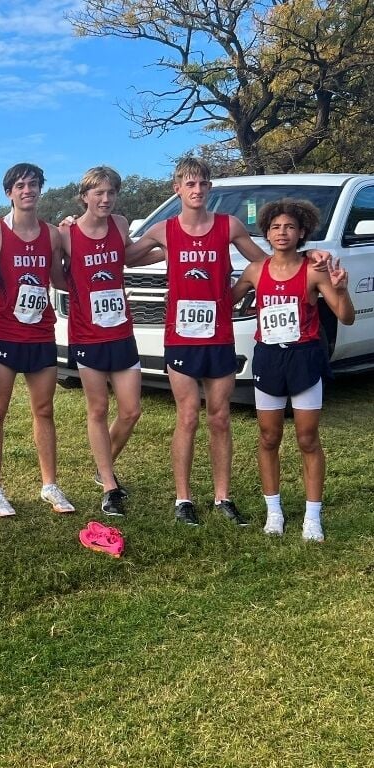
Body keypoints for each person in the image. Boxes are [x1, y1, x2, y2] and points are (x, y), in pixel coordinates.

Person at [126, 156, 294, 527]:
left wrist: (306, 260)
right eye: (189, 184)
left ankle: (223, 497)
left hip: (219, 336)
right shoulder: (164, 229)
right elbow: (121, 255)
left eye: (202, 183)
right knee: (187, 416)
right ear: (177, 189)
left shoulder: (228, 224)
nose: (197, 190)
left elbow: (267, 264)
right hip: (181, 338)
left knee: (219, 417)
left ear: (209, 188)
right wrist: (86, 226)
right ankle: (183, 498)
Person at [230, 199, 354, 541]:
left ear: (301, 232)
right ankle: (275, 511)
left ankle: (312, 516)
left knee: (307, 438)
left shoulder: (314, 270)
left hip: (304, 358)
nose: (282, 232)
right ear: (266, 232)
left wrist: (341, 290)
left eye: (289, 227)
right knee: (269, 437)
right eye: (275, 227)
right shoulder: (256, 270)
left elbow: (345, 316)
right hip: (268, 358)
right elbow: (227, 300)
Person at [0, 163, 74, 519]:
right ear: (9, 192)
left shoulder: (51, 235)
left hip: (41, 332)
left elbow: (59, 279)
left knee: (44, 410)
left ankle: (49, 484)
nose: (27, 190)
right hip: (5, 331)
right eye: (20, 185)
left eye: (33, 184)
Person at [60, 166, 151, 517]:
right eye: (98, 192)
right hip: (87, 333)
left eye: (111, 191)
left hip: (121, 330)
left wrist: (164, 253)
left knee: (131, 410)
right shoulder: (67, 233)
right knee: (97, 409)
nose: (106, 198)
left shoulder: (121, 224)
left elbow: (125, 256)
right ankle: (110, 488)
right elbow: (57, 269)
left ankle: (103, 469)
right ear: (84, 197)